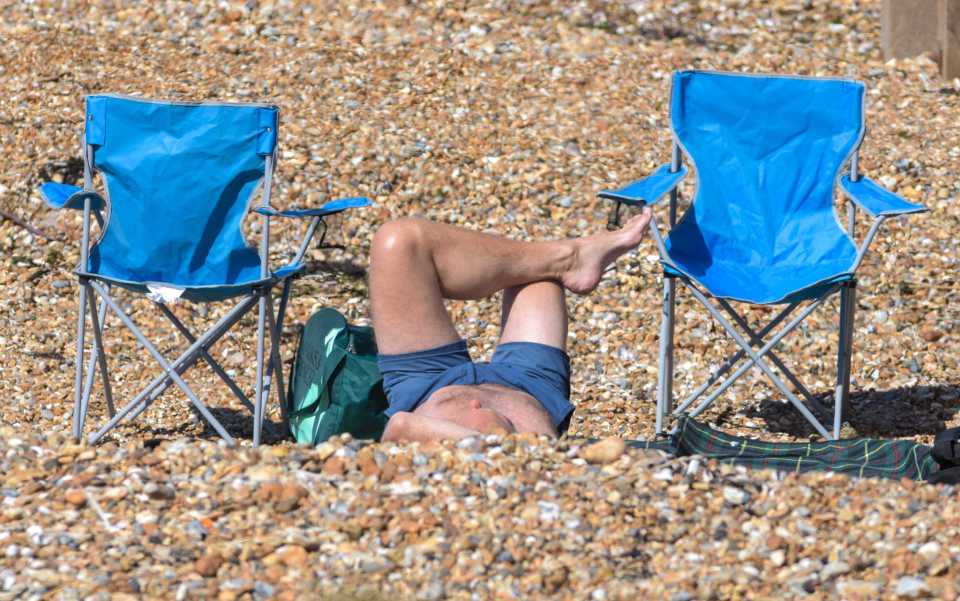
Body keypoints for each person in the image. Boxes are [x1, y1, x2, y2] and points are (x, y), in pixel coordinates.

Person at [370, 209, 652, 442]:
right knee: (539, 275)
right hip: (529, 385)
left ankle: (572, 258)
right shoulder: (527, 468)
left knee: (398, 241)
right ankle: (569, 259)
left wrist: (483, 439)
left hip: (423, 382)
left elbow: (400, 426)